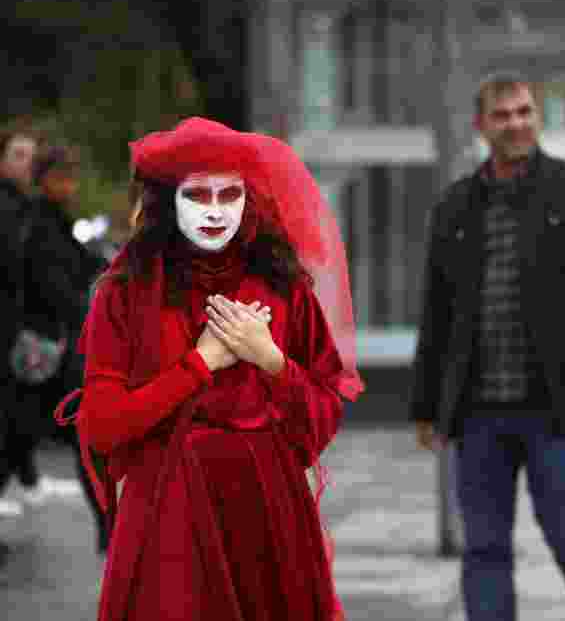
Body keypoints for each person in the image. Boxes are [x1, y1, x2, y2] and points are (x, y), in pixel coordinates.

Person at [64, 117, 362, 620]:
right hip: (169, 507)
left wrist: (270, 360)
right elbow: (103, 425)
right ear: (167, 202)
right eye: (199, 195)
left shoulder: (283, 285)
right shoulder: (125, 291)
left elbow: (322, 417)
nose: (216, 211)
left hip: (269, 509)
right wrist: (202, 362)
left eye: (230, 194)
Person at [410, 72, 565, 621]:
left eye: (524, 112)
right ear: (481, 125)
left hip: (555, 403)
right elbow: (437, 313)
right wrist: (426, 406)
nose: (515, 123)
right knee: (485, 546)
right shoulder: (454, 209)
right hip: (477, 412)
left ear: (538, 118)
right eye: (503, 115)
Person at [17, 144, 109, 546]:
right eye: (61, 177)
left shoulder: (53, 220)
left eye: (71, 176)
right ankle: (110, 529)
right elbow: (54, 285)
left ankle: (110, 528)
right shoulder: (39, 223)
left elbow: (84, 265)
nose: (69, 185)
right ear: (44, 179)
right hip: (44, 349)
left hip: (50, 348)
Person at [0, 122, 41, 525]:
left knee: (18, 419)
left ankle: (23, 470)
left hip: (18, 330)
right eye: (18, 154)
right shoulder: (8, 208)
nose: (27, 163)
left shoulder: (28, 207)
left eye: (31, 155)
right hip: (7, 330)